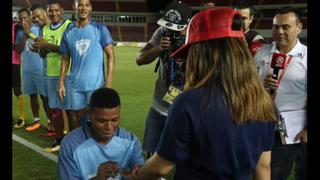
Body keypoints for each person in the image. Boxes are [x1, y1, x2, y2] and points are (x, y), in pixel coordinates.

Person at [124, 8, 278, 180]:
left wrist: (133, 177)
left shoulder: (189, 103)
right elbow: (263, 168)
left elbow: (160, 167)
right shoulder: (264, 101)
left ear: (202, 53)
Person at [254, 6, 307, 180]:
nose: (280, 31)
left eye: (286, 27)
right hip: (262, 123)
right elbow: (248, 86)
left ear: (298, 28)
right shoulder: (262, 52)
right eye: (276, 26)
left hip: (293, 129)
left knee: (285, 172)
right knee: (262, 172)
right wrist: (261, 85)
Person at [136, 1, 192, 158]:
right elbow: (139, 59)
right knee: (150, 153)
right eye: (168, 26)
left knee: (184, 158)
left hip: (186, 110)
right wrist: (158, 48)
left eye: (176, 28)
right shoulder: (162, 32)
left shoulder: (197, 36)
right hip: (159, 107)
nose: (170, 31)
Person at [58, 87, 144, 180]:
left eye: (114, 120)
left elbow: (139, 174)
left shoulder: (131, 142)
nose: (109, 127)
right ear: (89, 115)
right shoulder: (70, 145)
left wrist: (139, 174)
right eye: (102, 121)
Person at [58, 0, 115, 129]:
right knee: (78, 117)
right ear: (75, 7)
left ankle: (94, 146)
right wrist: (61, 82)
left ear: (90, 8)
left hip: (96, 84)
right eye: (80, 5)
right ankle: (80, 145)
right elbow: (65, 58)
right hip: (75, 84)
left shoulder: (100, 29)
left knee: (96, 118)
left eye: (86, 5)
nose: (83, 8)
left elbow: (111, 56)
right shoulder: (68, 31)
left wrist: (108, 82)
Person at [31, 0, 73, 152]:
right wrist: (39, 48)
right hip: (50, 74)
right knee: (54, 109)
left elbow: (67, 49)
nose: (54, 13)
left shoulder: (69, 26)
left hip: (67, 73)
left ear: (61, 11)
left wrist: (46, 45)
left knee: (69, 109)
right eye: (51, 11)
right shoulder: (45, 29)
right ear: (47, 12)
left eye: (56, 10)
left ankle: (73, 139)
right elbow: (43, 54)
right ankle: (59, 138)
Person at [16, 8, 52, 132]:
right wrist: (25, 35)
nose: (22, 20)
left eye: (25, 17)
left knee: (44, 97)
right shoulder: (20, 33)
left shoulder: (39, 29)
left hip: (39, 68)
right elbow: (19, 49)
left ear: (31, 17)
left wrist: (30, 33)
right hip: (27, 69)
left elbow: (44, 44)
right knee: (32, 96)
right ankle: (36, 121)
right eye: (20, 19)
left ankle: (50, 122)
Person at [12, 20, 26, 128]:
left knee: (17, 90)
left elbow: (19, 47)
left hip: (14, 62)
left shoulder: (17, 27)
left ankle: (22, 118)